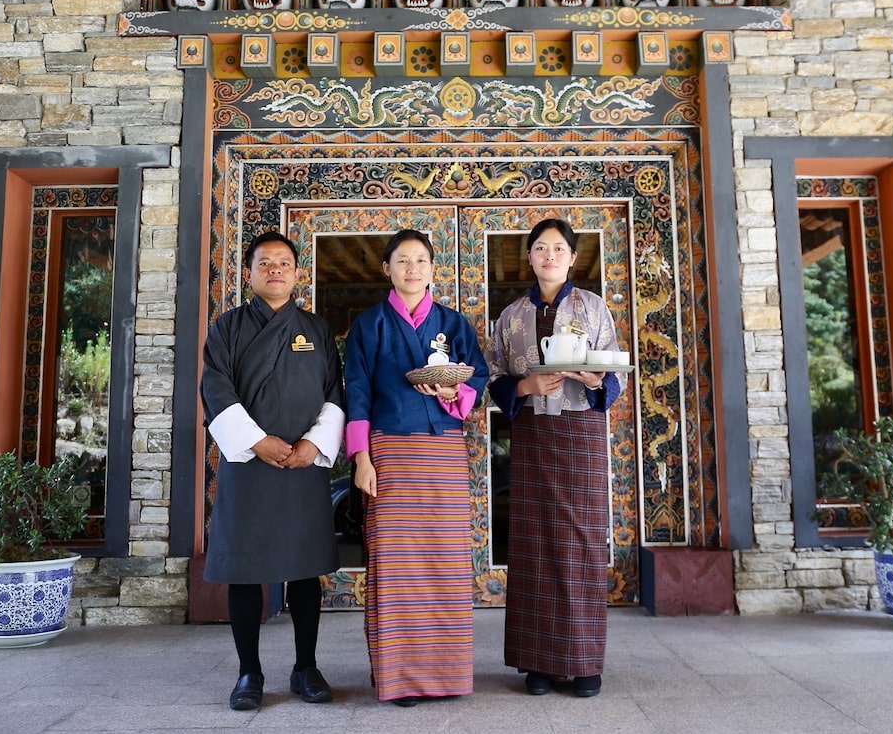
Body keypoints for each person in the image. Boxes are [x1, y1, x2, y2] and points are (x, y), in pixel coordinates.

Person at [343, 228, 490, 707]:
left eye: (421, 260)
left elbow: (477, 375)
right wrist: (361, 459)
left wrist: (454, 394)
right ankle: (401, 678)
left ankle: (445, 676)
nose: (412, 268)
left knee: (444, 562)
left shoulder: (452, 322)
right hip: (389, 451)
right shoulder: (369, 324)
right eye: (402, 260)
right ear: (387, 268)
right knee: (396, 566)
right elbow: (357, 393)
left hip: (442, 451)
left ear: (433, 268)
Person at [200, 231, 346, 712]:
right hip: (249, 461)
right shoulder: (227, 328)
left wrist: (313, 443)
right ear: (249, 272)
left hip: (303, 464)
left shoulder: (317, 329)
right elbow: (216, 388)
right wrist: (257, 441)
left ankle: (306, 666)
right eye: (266, 263)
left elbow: (334, 392)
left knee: (305, 572)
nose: (276, 270)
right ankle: (249, 672)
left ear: (298, 272)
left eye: (285, 262)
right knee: (246, 572)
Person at [483, 217, 627, 699]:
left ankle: (584, 661)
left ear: (572, 257)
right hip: (531, 436)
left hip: (580, 433)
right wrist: (524, 386)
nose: (549, 256)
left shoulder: (594, 308)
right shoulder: (511, 316)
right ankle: (537, 663)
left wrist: (594, 381)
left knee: (582, 544)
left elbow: (616, 374)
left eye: (559, 248)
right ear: (530, 256)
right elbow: (492, 376)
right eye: (540, 248)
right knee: (532, 545)